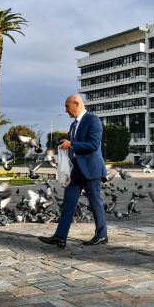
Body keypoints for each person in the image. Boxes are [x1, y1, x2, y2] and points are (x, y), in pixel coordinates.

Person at [39, 94, 108, 248]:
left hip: (91, 170)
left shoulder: (93, 120)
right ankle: (60, 237)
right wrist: (64, 153)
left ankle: (102, 235)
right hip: (75, 171)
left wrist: (71, 144)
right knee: (68, 204)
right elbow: (74, 148)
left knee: (95, 203)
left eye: (67, 106)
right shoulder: (73, 125)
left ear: (76, 104)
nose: (65, 110)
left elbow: (93, 145)